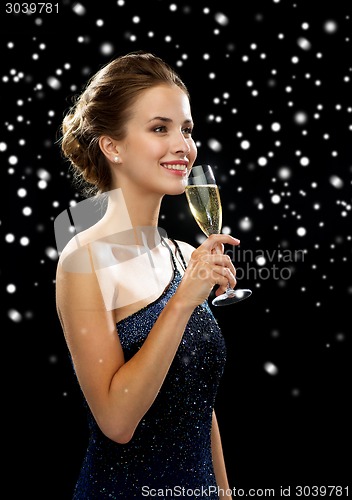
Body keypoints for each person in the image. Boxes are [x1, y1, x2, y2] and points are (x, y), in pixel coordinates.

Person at [55, 50, 239, 499]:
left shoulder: (182, 255)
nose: (184, 145)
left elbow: (198, 402)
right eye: (160, 128)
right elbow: (116, 422)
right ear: (112, 146)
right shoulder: (83, 260)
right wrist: (183, 302)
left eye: (186, 129)